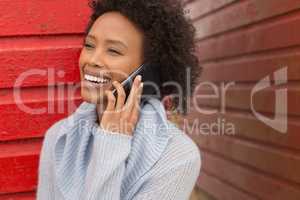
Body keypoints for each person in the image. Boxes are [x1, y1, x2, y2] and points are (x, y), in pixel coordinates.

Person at [36, 0, 202, 199]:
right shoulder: (57, 137)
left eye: (113, 50)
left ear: (148, 72)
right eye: (89, 45)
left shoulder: (178, 156)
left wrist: (111, 141)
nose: (92, 60)